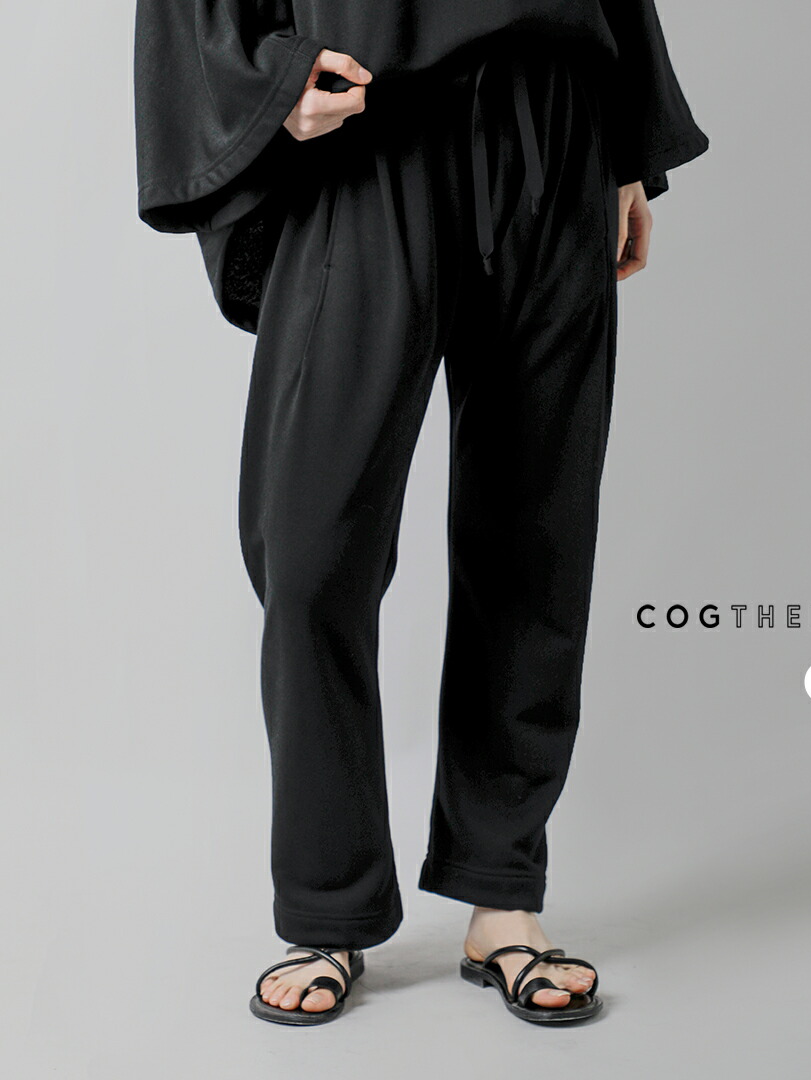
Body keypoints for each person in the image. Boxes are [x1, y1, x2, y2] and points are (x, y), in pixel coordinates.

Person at [134, 0, 708, 1026]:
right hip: (369, 127)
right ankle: (329, 904)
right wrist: (268, 81)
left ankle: (503, 894)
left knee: (535, 532)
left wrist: (627, 147)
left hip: (555, 124)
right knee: (310, 549)